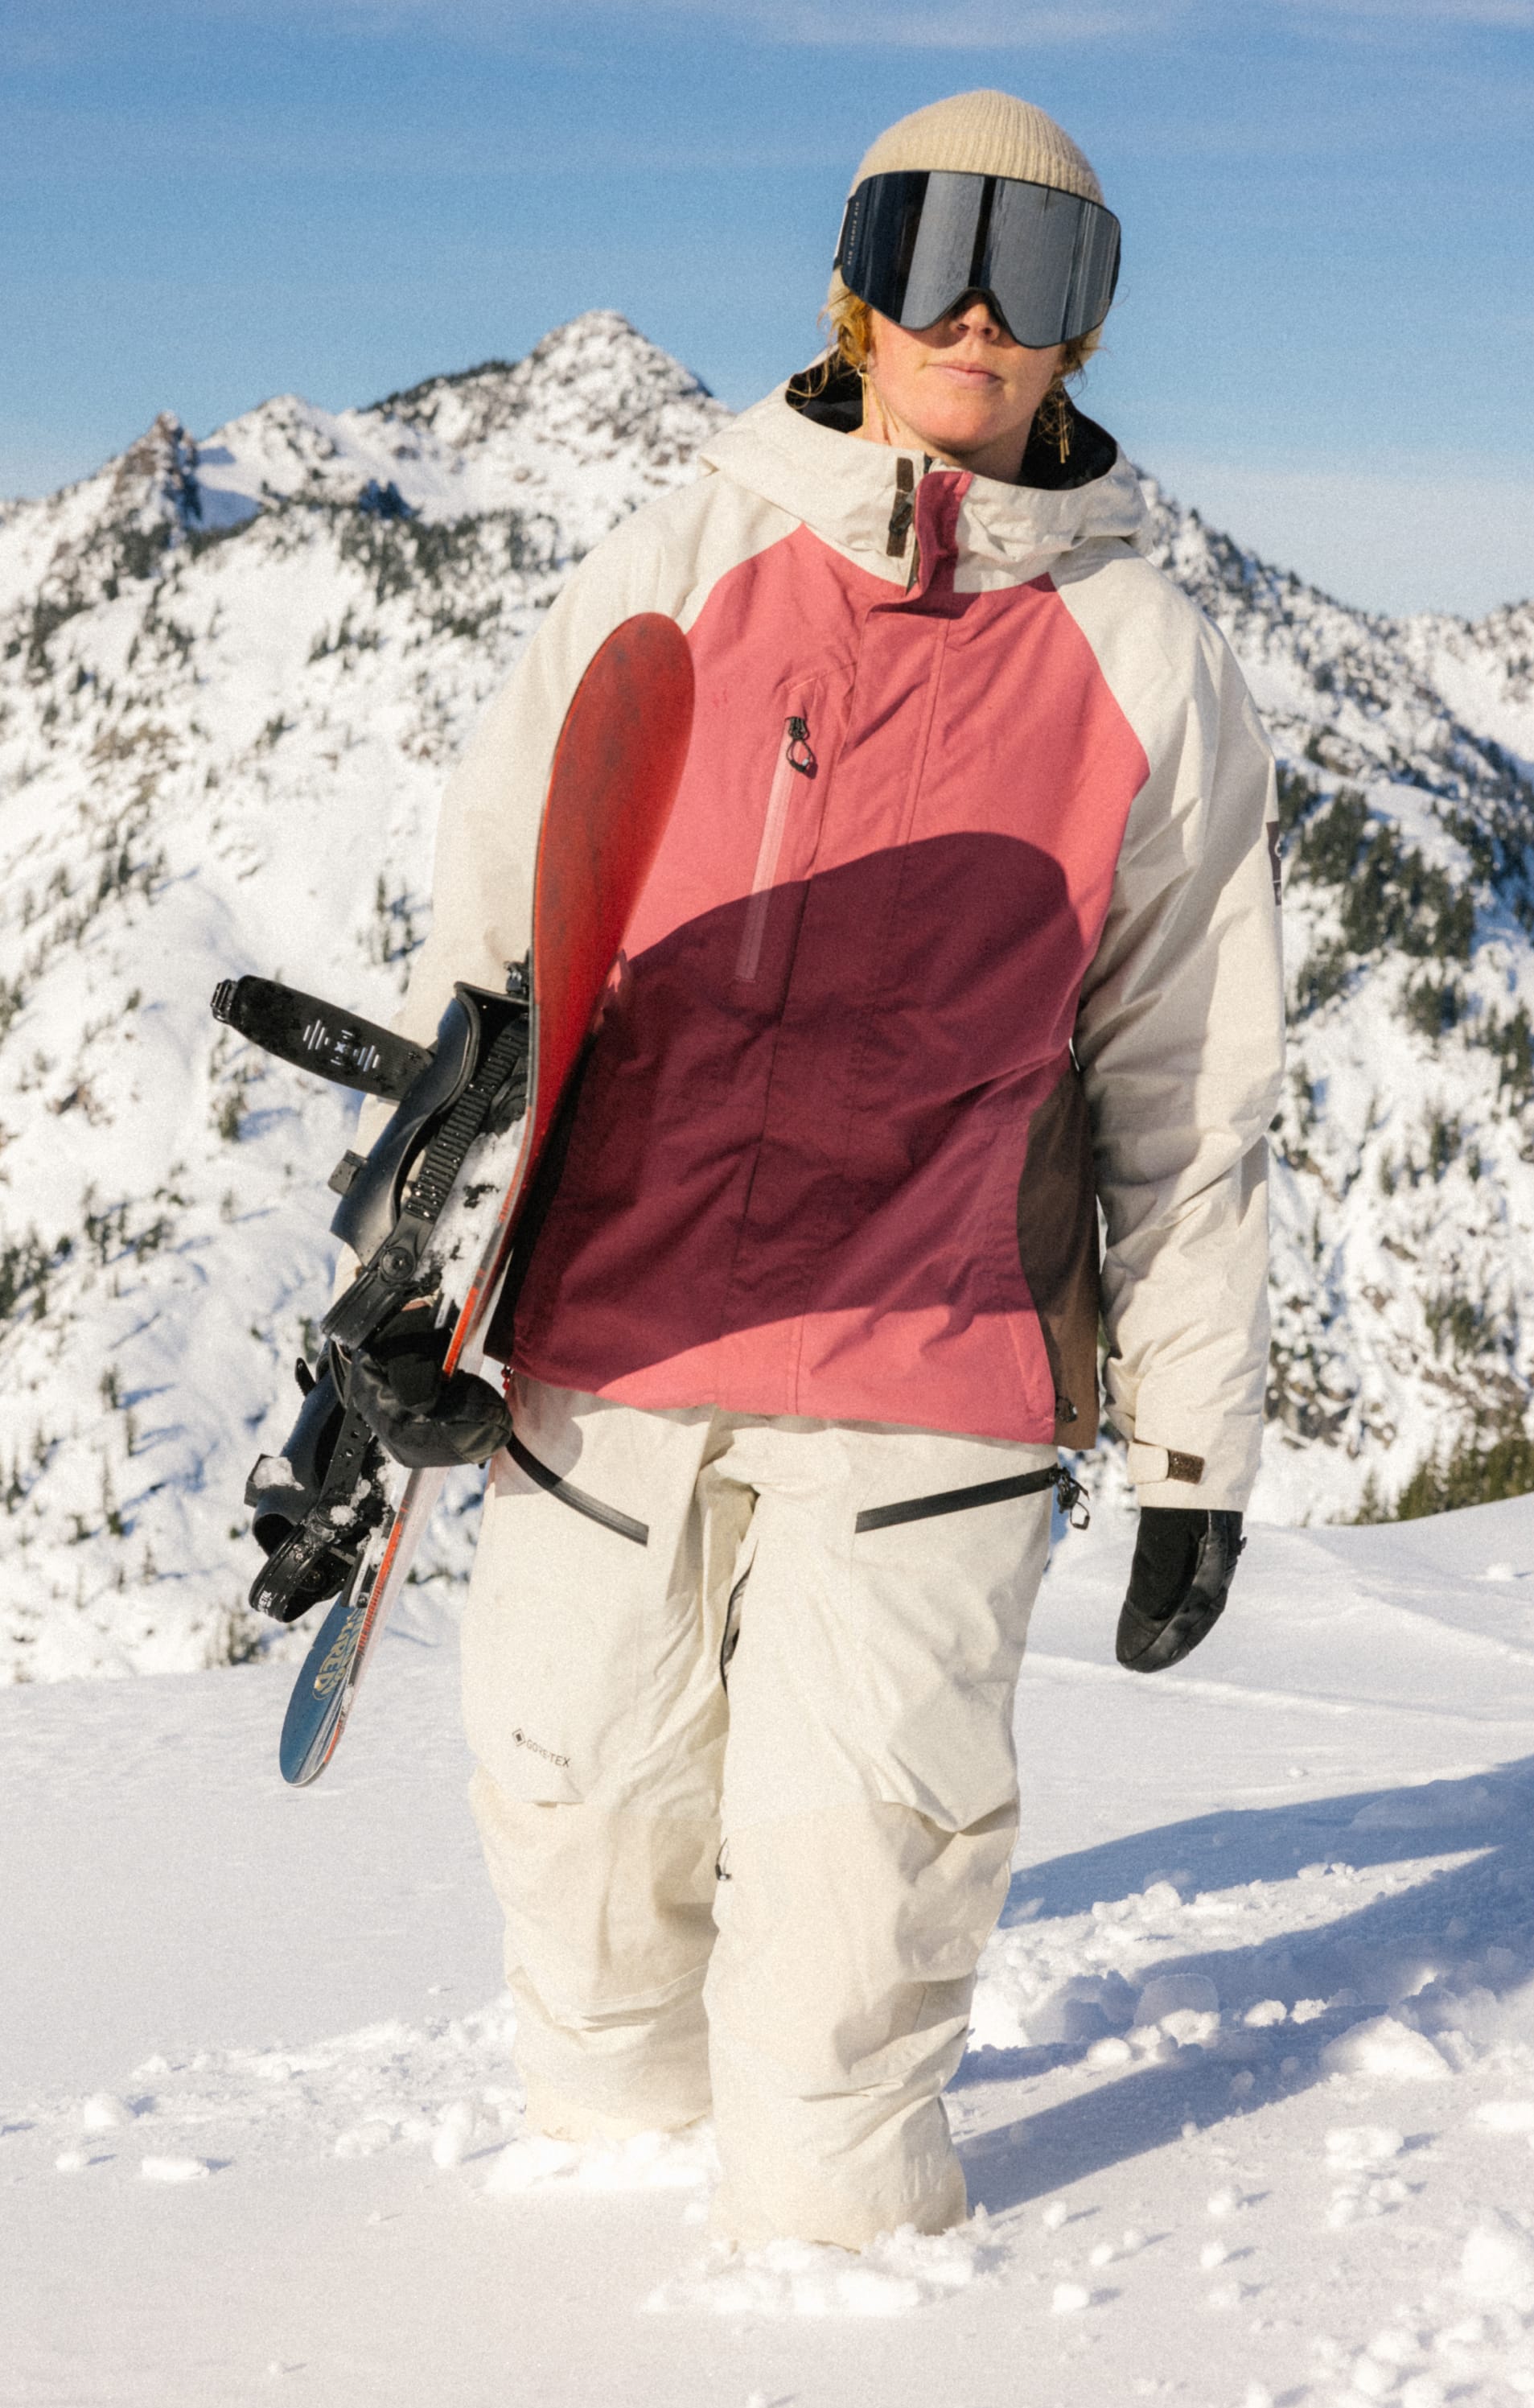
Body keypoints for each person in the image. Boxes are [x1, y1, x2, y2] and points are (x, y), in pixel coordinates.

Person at [385, 88, 1285, 2250]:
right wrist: (425, 1283)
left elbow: (1190, 1086)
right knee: (578, 1846)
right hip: (617, 1331)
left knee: (854, 1885)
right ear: (850, 291)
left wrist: (1195, 1448)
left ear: (1085, 328)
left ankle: (852, 2305)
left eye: (1036, 267)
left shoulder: (1147, 657)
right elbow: (500, 960)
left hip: (929, 1360)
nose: (977, 311)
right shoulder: (682, 561)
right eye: (930, 248)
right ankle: (543, 2285)